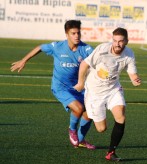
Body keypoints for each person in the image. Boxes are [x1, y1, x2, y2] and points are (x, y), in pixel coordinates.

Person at [10, 20, 96, 150]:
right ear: (67, 34)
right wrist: (24, 60)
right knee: (78, 108)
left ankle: (81, 140)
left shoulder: (86, 49)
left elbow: (99, 59)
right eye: (73, 33)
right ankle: (72, 130)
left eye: (78, 33)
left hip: (78, 87)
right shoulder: (57, 47)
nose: (77, 36)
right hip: (60, 87)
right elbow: (40, 47)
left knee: (90, 112)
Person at [74, 27, 142, 162]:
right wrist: (81, 83)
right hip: (94, 91)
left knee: (121, 116)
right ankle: (87, 112)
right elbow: (84, 65)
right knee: (101, 129)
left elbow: (132, 73)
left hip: (113, 89)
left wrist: (135, 80)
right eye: (115, 40)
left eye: (121, 41)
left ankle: (111, 153)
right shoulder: (102, 50)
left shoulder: (129, 53)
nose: (117, 44)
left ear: (126, 41)